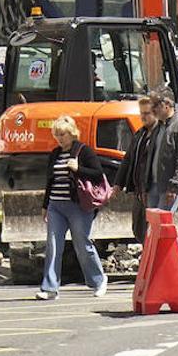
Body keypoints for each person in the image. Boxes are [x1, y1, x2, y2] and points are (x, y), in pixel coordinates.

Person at [35, 115, 108, 300]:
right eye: (57, 134)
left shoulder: (84, 151)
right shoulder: (55, 154)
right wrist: (45, 205)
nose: (60, 138)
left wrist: (78, 169)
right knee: (52, 245)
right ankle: (50, 288)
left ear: (72, 133)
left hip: (78, 206)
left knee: (82, 245)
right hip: (55, 206)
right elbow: (50, 181)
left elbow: (98, 174)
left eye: (63, 134)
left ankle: (98, 281)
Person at [148, 86, 178, 280]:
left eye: (155, 105)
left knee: (163, 227)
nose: (152, 110)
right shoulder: (159, 127)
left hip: (170, 187)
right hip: (155, 186)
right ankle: (165, 269)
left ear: (167, 105)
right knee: (156, 229)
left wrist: (174, 185)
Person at [117, 96, 158, 243]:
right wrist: (118, 184)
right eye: (141, 113)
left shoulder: (160, 135)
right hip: (139, 191)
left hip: (153, 190)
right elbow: (128, 159)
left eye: (147, 113)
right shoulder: (140, 134)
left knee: (154, 230)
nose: (143, 117)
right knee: (139, 230)